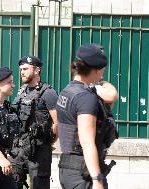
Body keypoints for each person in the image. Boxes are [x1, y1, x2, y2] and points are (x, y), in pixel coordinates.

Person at [56, 43, 118, 189]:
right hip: (83, 172)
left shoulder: (68, 90)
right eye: (102, 70)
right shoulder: (86, 98)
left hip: (68, 168)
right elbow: (87, 142)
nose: (102, 74)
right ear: (97, 70)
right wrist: (97, 179)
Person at [10, 56, 58, 189]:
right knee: (12, 183)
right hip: (18, 148)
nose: (22, 72)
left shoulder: (48, 93)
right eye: (21, 70)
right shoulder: (22, 91)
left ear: (37, 70)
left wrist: (50, 141)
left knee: (39, 184)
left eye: (25, 69)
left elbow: (57, 121)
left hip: (38, 149)